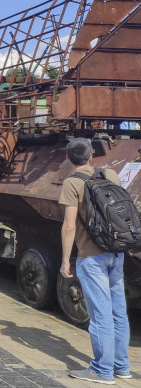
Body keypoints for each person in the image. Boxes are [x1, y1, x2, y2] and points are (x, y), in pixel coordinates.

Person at [59, 137, 131, 384]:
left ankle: (102, 370)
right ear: (92, 156)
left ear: (68, 158)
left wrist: (65, 260)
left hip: (91, 257)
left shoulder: (71, 183)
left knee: (100, 314)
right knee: (118, 312)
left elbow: (69, 226)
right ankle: (122, 367)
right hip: (116, 252)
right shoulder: (110, 174)